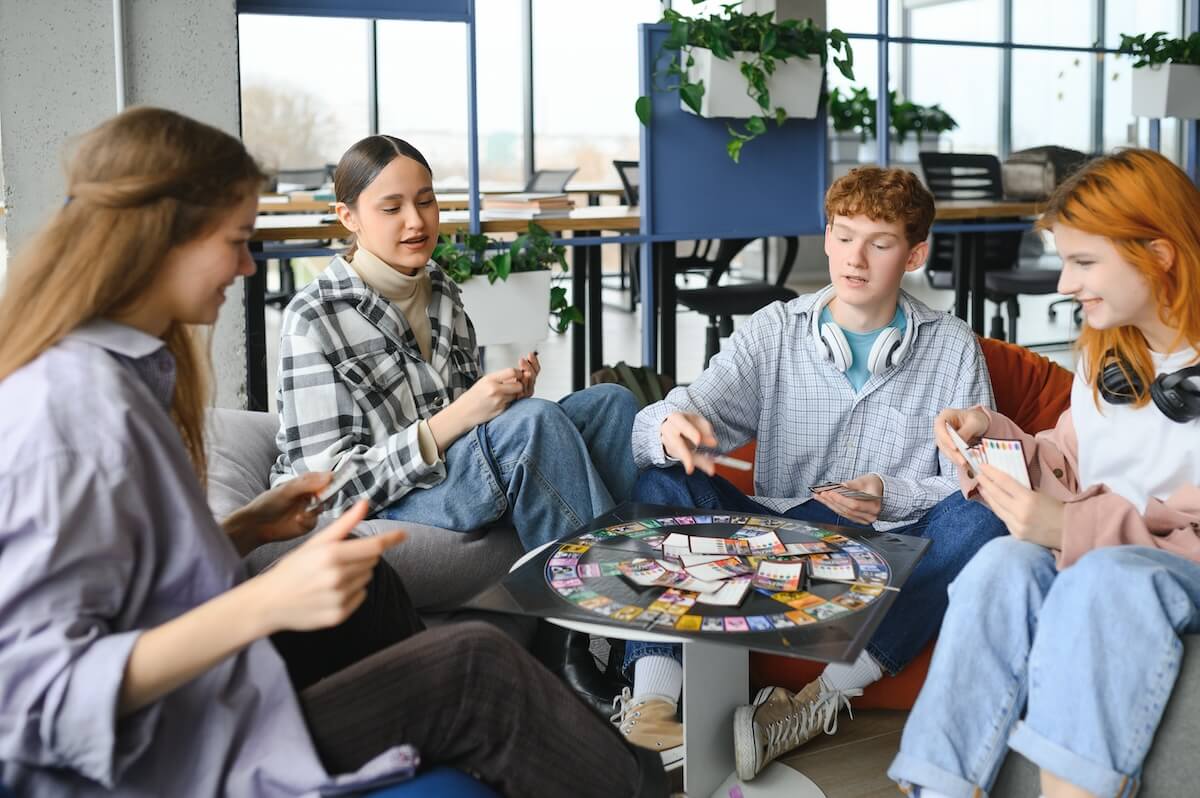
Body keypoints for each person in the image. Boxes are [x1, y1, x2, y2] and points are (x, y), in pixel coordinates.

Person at [0, 107, 666, 798]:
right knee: (475, 662)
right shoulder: (69, 410)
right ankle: (611, 676)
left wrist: (245, 529)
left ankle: (587, 713)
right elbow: (32, 700)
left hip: (228, 684)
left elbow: (137, 586)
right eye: (235, 240)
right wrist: (262, 603)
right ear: (160, 238)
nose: (249, 264)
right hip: (187, 741)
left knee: (608, 405)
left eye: (426, 200)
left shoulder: (134, 377)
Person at [611, 167, 1008, 777]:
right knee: (661, 481)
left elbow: (977, 477)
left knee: (984, 517)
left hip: (887, 554)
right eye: (844, 236)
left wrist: (891, 492)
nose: (855, 258)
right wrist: (670, 426)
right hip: (779, 545)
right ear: (826, 237)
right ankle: (655, 704)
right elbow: (680, 415)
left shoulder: (952, 347)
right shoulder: (775, 331)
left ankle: (816, 699)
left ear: (914, 254)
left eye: (879, 243)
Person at [270, 135, 636, 712]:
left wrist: (505, 399)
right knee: (533, 427)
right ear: (349, 218)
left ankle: (569, 631)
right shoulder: (312, 318)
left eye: (427, 201)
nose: (416, 222)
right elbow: (328, 490)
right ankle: (613, 627)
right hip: (385, 500)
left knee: (611, 403)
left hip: (449, 477)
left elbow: (478, 431)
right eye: (390, 208)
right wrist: (466, 417)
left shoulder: (441, 289)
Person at [889, 148, 1200, 798]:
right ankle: (937, 788)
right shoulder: (1108, 355)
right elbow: (1065, 463)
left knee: (1104, 579)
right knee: (1001, 564)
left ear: (1160, 255)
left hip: (1168, 570)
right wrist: (994, 437)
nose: (1063, 283)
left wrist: (1071, 526)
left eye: (1085, 262)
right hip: (1111, 554)